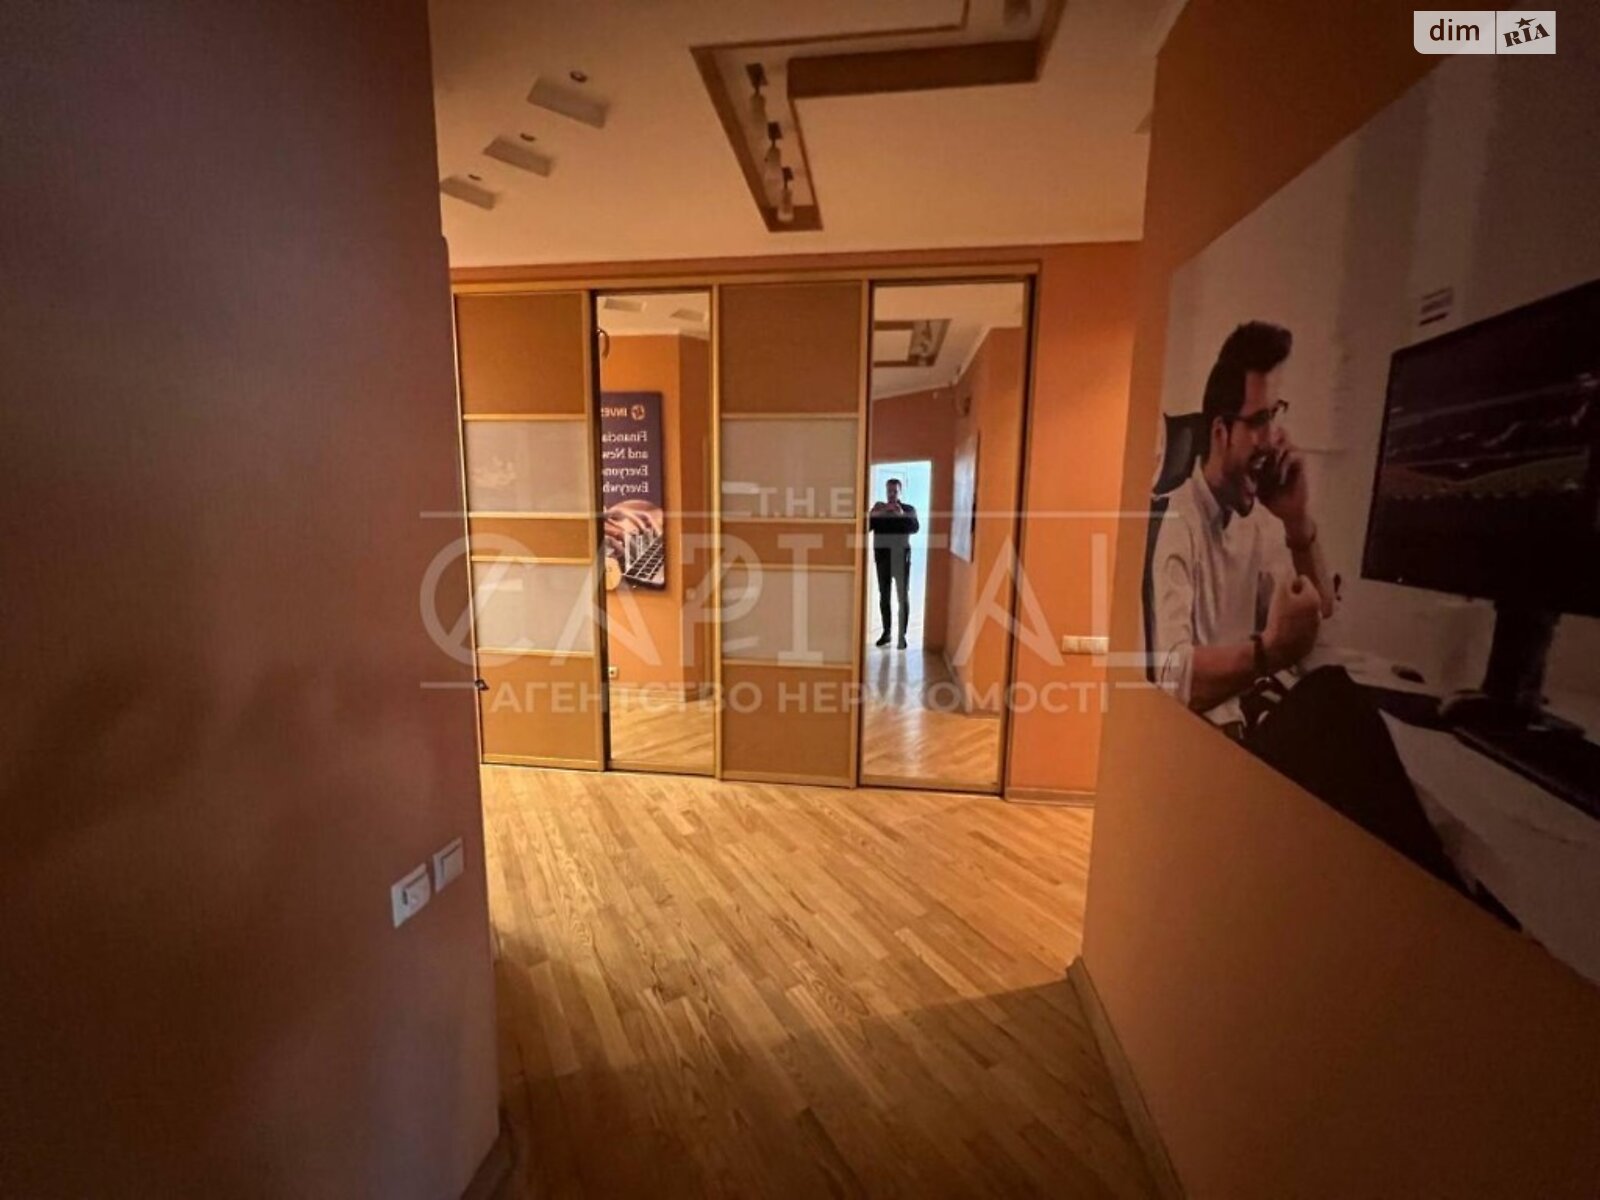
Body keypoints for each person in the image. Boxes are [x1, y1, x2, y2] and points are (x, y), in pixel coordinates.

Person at [1150, 322, 1477, 897]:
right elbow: (1173, 679)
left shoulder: (1258, 525)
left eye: (1277, 416)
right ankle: (1452, 899)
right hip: (1209, 757)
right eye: (1259, 421)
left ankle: (1447, 891)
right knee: (1334, 706)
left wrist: (1299, 525)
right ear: (1221, 431)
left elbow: (1317, 632)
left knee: (1371, 741)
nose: (1274, 440)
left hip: (1256, 730)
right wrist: (1268, 652)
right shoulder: (1173, 523)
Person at [868, 478, 919, 649]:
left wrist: (901, 515)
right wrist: (872, 515)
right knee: (884, 596)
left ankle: (902, 636)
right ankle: (886, 632)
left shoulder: (908, 509)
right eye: (889, 491)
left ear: (900, 492)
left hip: (901, 559)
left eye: (894, 491)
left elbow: (915, 528)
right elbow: (865, 527)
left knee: (902, 597)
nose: (891, 494)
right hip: (882, 558)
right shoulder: (879, 509)